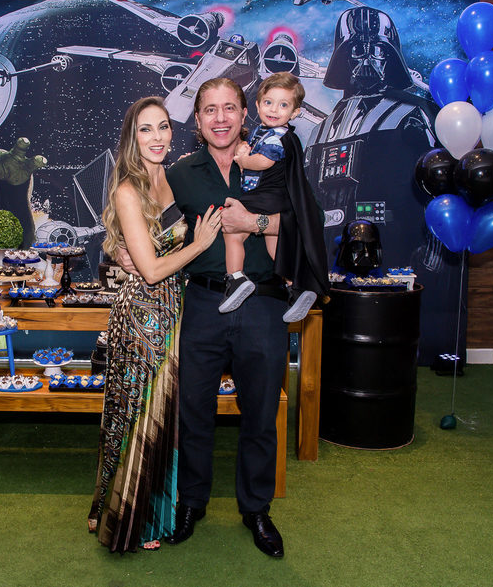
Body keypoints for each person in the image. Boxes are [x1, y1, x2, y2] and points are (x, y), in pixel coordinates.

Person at [119, 78, 291, 558]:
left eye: (229, 108)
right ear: (196, 120)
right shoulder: (180, 173)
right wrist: (122, 251)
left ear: (244, 113)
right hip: (202, 305)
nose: (220, 118)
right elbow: (143, 218)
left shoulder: (274, 161)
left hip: (263, 304)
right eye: (210, 109)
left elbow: (304, 221)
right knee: (194, 413)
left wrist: (253, 223)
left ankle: (256, 510)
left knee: (261, 414)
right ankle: (192, 504)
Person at [89, 96, 222, 553]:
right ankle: (133, 519)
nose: (157, 136)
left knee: (166, 415)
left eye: (163, 126)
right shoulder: (129, 189)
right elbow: (149, 270)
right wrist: (199, 244)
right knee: (138, 416)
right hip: (142, 315)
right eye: (146, 129)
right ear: (133, 137)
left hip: (177, 309)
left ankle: (155, 508)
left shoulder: (175, 176)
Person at [218, 72, 330, 322]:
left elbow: (263, 162)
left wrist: (243, 161)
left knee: (232, 230)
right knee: (276, 246)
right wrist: (243, 148)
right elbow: (250, 146)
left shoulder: (278, 137)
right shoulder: (264, 132)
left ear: (295, 112)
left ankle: (236, 278)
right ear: (257, 105)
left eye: (283, 105)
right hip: (276, 200)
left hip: (264, 196)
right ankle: (295, 285)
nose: (274, 110)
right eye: (268, 102)